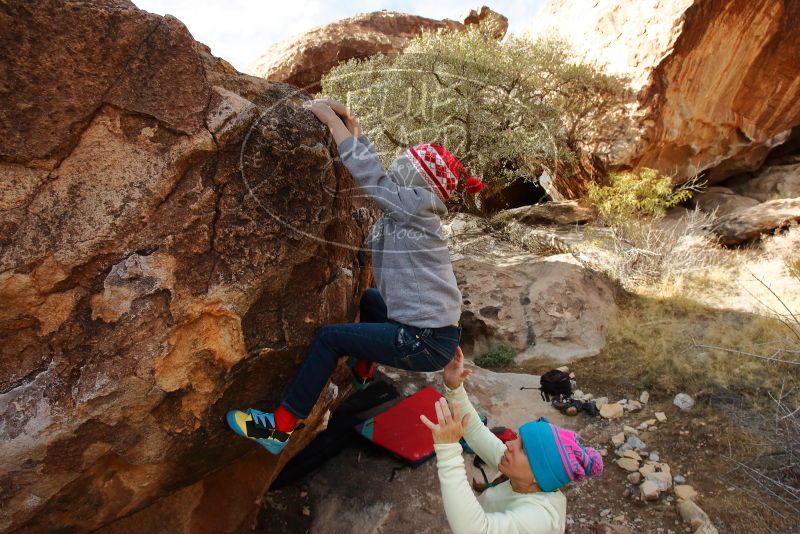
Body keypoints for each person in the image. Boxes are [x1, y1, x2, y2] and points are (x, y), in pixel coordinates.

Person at [226, 98, 485, 454]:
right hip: (433, 333)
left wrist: (331, 122)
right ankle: (364, 372)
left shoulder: (413, 208)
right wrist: (351, 123)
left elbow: (372, 176)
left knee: (330, 339)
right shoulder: (411, 207)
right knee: (369, 300)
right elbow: (375, 170)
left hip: (423, 340)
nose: (397, 165)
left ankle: (279, 428)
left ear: (416, 179)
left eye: (405, 163)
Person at [420, 347, 603, 534]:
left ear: (537, 475)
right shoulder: (523, 476)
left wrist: (448, 451)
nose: (509, 444)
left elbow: (475, 530)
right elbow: (476, 432)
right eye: (518, 439)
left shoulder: (540, 518)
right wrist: (455, 388)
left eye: (523, 448)